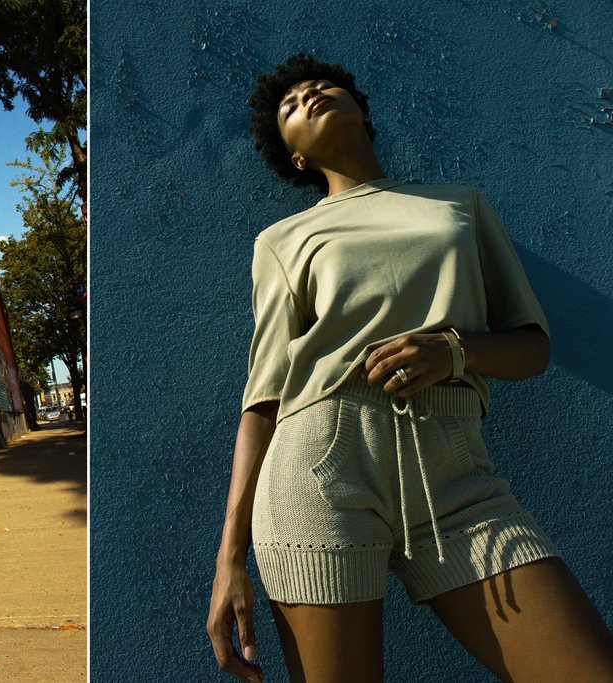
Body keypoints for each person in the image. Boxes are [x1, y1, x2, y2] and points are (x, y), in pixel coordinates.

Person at [205, 53, 613, 682]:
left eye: (323, 86)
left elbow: (532, 347)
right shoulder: (282, 240)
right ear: (295, 158)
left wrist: (453, 350)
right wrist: (230, 558)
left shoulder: (458, 206)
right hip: (320, 466)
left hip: (455, 477)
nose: (310, 94)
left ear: (362, 111)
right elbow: (263, 398)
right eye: (289, 106)